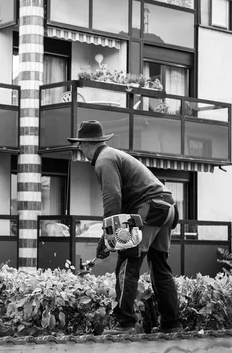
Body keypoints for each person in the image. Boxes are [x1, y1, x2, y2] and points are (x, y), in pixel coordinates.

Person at [68, 120, 183, 335]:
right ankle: (171, 324)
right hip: (167, 208)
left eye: (80, 145)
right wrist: (109, 237)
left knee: (128, 261)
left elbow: (112, 198)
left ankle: (126, 324)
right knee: (159, 267)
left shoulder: (104, 160)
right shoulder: (114, 155)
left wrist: (107, 236)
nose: (80, 150)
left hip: (149, 208)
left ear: (84, 144)